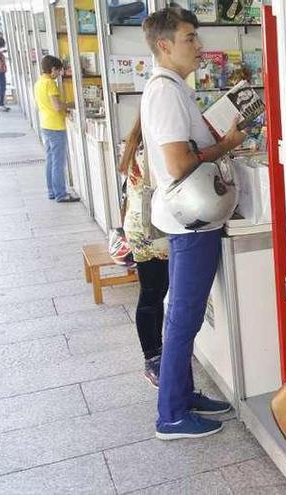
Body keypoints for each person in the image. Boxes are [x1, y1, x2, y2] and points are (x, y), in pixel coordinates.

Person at [140, 7, 245, 440]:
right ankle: (171, 415)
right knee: (183, 317)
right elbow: (179, 162)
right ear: (164, 45)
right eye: (189, 39)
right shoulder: (164, 92)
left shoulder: (172, 88)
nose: (199, 47)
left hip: (194, 221)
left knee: (187, 315)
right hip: (190, 223)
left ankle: (183, 394)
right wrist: (225, 145)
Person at [118, 117, 170, 388]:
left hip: (141, 227)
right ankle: (153, 358)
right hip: (153, 232)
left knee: (154, 293)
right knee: (152, 294)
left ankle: (156, 353)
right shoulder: (154, 146)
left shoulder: (137, 139)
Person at [33, 55, 80, 203]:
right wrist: (71, 104)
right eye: (59, 71)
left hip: (45, 124)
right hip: (55, 126)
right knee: (58, 162)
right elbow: (56, 106)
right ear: (53, 69)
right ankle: (61, 193)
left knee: (51, 160)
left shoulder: (39, 82)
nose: (59, 74)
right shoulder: (50, 83)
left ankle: (52, 191)